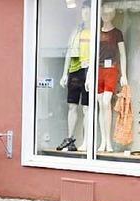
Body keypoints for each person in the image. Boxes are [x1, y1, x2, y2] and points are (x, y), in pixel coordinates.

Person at [58, 1, 91, 152]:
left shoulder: (94, 31)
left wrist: (91, 74)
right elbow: (69, 52)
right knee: (72, 106)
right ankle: (70, 138)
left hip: (88, 70)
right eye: (83, 10)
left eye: (88, 10)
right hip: (75, 70)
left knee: (86, 108)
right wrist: (65, 73)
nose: (85, 13)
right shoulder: (76, 30)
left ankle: (87, 141)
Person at [97, 4, 127, 152]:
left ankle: (108, 141)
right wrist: (90, 75)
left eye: (108, 14)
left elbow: (123, 54)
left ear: (113, 15)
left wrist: (124, 75)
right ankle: (103, 141)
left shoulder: (117, 33)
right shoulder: (96, 32)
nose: (105, 17)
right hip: (98, 70)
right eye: (103, 14)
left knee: (106, 102)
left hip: (112, 69)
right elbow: (93, 55)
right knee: (100, 105)